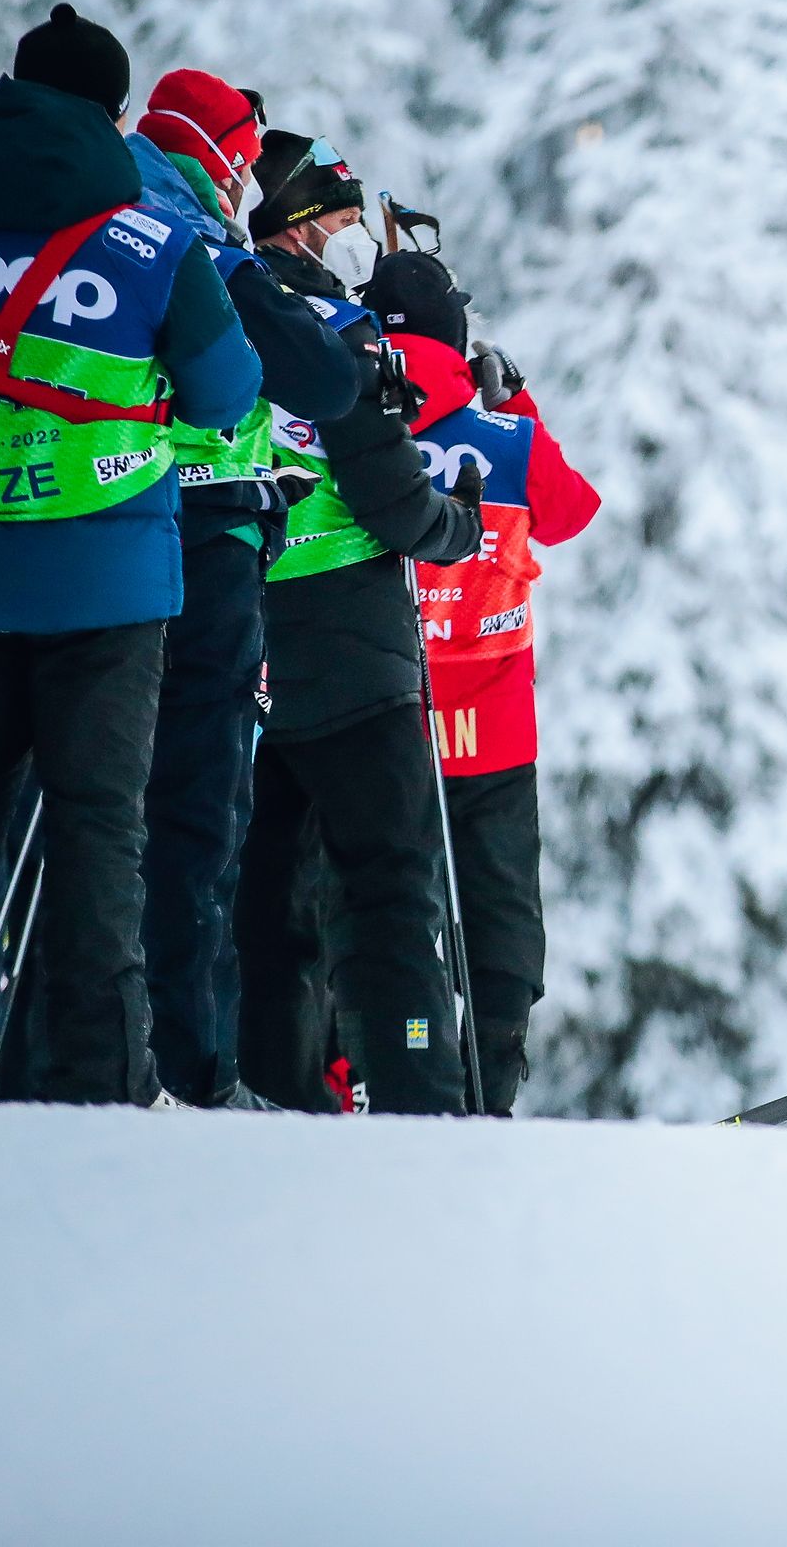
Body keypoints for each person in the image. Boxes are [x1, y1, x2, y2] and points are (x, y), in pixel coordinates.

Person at [0, 3, 262, 1105]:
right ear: (117, 116)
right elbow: (230, 399)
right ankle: (98, 1085)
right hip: (112, 593)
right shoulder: (160, 247)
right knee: (99, 836)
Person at [229, 131, 482, 1115]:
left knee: (269, 904)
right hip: (356, 663)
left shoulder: (231, 315)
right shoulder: (331, 332)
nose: (355, 244)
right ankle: (416, 1082)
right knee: (387, 893)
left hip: (254, 654)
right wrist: (454, 520)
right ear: (299, 228)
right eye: (341, 222)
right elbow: (393, 500)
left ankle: (275, 1088)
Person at [125, 69, 360, 1106]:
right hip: (198, 538)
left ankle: (66, 1048)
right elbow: (314, 376)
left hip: (99, 532)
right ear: (218, 158)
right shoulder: (190, 238)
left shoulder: (97, 213)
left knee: (77, 808)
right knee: (194, 813)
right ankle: (188, 1067)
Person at [361, 248, 599, 1114]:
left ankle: (389, 1078)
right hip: (493, 724)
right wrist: (513, 404)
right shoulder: (507, 438)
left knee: (390, 913)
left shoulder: (348, 422)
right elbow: (571, 512)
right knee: (499, 925)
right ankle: (490, 1087)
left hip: (384, 718)